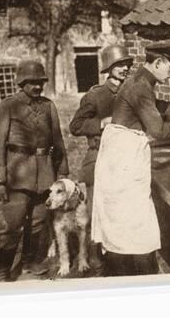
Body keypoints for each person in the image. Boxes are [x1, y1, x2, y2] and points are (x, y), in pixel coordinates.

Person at [91, 43, 170, 276]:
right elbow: (157, 130)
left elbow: (153, 106)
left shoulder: (140, 80)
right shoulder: (140, 85)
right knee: (134, 220)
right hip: (122, 159)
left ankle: (129, 270)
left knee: (124, 220)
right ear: (158, 62)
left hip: (121, 155)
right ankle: (138, 276)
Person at [0, 60, 69, 281]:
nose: (37, 86)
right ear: (21, 82)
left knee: (37, 223)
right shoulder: (8, 106)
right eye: (32, 82)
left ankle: (29, 262)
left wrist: (62, 171)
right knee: (13, 225)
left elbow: (57, 139)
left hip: (44, 174)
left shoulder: (48, 106)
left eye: (40, 82)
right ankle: (2, 268)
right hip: (17, 174)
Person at [69, 44, 133, 268]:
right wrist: (101, 123)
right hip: (99, 157)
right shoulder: (95, 95)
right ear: (109, 67)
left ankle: (122, 255)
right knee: (97, 211)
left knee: (122, 210)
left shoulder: (132, 91)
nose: (124, 68)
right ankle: (96, 260)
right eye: (119, 64)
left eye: (126, 64)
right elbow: (75, 126)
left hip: (124, 160)